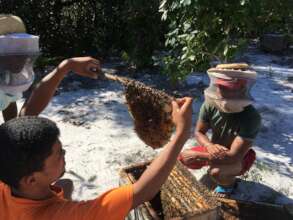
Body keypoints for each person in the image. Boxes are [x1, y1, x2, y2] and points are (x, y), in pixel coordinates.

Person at [0, 97, 193, 220]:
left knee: (66, 184)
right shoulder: (65, 216)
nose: (64, 154)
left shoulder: (8, 176)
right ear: (31, 180)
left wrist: (66, 67)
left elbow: (16, 132)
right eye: (58, 154)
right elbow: (142, 192)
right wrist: (181, 134)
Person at [179, 63, 261, 197]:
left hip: (241, 157)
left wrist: (200, 156)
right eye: (220, 87)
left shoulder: (251, 117)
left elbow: (234, 156)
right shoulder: (209, 105)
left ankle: (228, 185)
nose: (222, 92)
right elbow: (199, 132)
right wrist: (208, 145)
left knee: (216, 172)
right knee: (183, 158)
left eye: (229, 88)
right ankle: (218, 168)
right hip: (214, 149)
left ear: (242, 88)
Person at [0, 15, 101, 121]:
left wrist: (66, 66)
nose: (22, 57)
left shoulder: (7, 77)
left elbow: (18, 112)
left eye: (21, 48)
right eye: (11, 51)